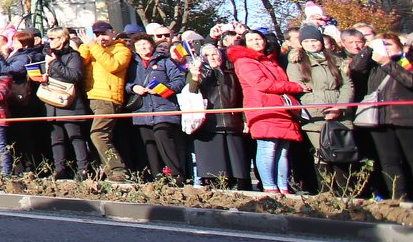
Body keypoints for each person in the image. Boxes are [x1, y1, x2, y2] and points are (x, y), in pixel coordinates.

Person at [347, 31, 413, 203]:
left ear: (401, 46)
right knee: (389, 163)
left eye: (388, 44)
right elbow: (356, 68)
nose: (384, 48)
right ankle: (398, 200)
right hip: (380, 119)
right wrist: (368, 49)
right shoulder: (374, 65)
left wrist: (387, 62)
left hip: (409, 120)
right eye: (382, 44)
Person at [228, 30, 305, 196]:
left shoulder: (271, 60)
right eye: (251, 40)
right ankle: (270, 187)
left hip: (282, 108)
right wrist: (295, 87)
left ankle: (283, 187)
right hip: (263, 109)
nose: (256, 42)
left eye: (258, 38)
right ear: (245, 44)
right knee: (267, 149)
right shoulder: (244, 61)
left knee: (283, 152)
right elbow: (262, 83)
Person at [287, 23, 350, 192]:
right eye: (306, 41)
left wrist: (339, 107)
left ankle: (346, 190)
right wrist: (322, 107)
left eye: (314, 40)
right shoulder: (297, 62)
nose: (311, 44)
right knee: (322, 153)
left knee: (343, 151)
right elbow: (299, 87)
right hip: (315, 114)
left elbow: (347, 85)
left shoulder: (336, 60)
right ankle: (327, 191)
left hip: (340, 111)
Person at [127, 34, 189, 182]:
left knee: (162, 135)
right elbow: (125, 83)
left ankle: (176, 175)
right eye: (139, 45)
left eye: (145, 44)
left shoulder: (165, 61)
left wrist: (161, 89)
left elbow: (179, 81)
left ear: (152, 45)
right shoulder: (132, 63)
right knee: (149, 144)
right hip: (142, 110)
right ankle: (157, 178)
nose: (142, 47)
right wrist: (133, 88)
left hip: (164, 108)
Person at [189, 44, 250, 189]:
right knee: (213, 165)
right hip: (208, 124)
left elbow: (241, 97)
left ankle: (238, 184)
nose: (211, 58)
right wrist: (195, 77)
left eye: (214, 54)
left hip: (232, 122)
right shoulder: (197, 74)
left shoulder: (231, 74)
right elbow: (191, 92)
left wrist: (245, 119)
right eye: (207, 55)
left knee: (237, 162)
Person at [78, 20, 133, 179]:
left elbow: (112, 66)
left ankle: (119, 171)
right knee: (91, 137)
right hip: (89, 97)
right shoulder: (92, 47)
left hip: (108, 98)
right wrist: (86, 45)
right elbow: (80, 63)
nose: (101, 38)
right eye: (97, 34)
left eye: (104, 34)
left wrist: (93, 46)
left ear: (112, 32)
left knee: (98, 135)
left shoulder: (122, 50)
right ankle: (102, 171)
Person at [38, 26, 91, 178]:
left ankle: (83, 169)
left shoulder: (73, 56)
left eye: (52, 38)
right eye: (48, 38)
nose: (49, 41)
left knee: (75, 137)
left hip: (69, 103)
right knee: (56, 138)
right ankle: (60, 170)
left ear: (62, 39)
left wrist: (54, 63)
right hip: (51, 102)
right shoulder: (49, 55)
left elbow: (74, 76)